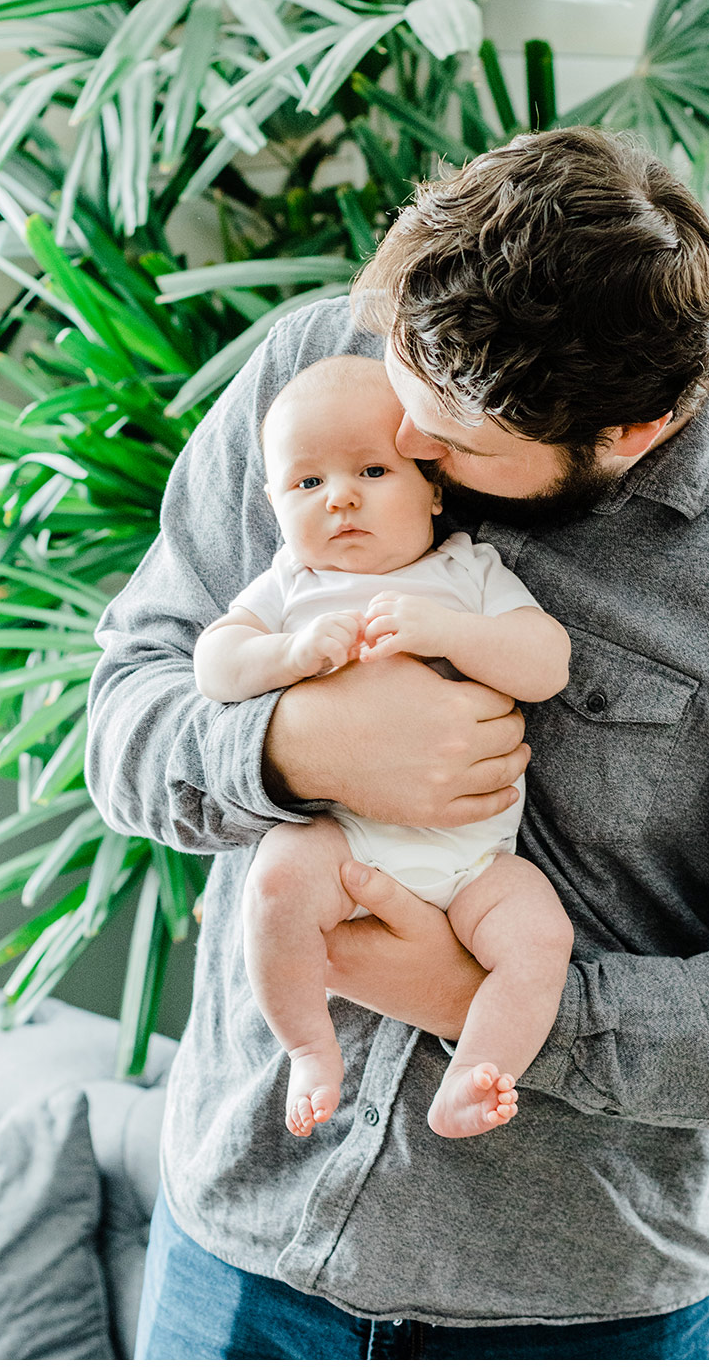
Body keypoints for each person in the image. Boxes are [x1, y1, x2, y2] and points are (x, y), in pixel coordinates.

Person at [86, 127, 709, 1361]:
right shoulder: (323, 375)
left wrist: (470, 997)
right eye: (402, 379)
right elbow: (123, 706)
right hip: (234, 1251)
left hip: (571, 1318)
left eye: (454, 443)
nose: (405, 444)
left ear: (634, 429)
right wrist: (296, 746)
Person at [193, 355, 573, 1140]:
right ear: (272, 504)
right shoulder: (291, 585)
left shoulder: (467, 571)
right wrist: (290, 657)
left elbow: (545, 663)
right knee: (274, 890)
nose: (341, 498)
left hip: (475, 862)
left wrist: (451, 633)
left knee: (539, 938)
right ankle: (307, 1045)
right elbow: (215, 664)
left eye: (373, 469)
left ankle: (476, 1074)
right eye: (307, 485)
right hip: (343, 843)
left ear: (435, 486)